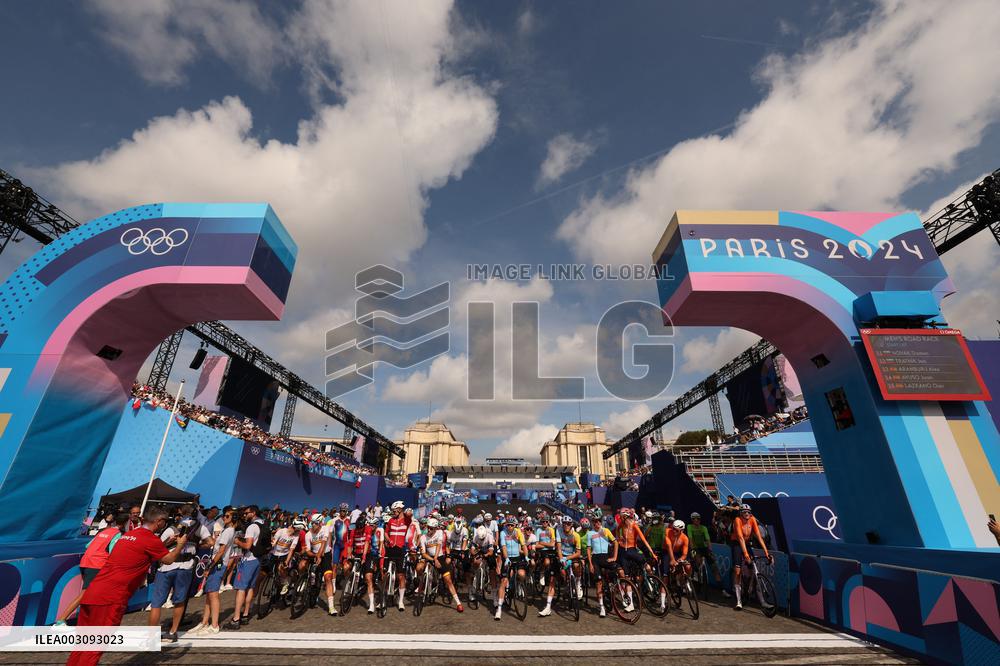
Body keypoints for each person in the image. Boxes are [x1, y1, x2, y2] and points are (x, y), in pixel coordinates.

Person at [66, 506, 187, 666]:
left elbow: (141, 551)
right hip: (111, 597)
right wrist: (180, 544)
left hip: (93, 592)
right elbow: (169, 559)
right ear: (159, 522)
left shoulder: (128, 535)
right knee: (95, 646)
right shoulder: (150, 539)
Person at [150, 506, 211, 642]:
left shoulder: (171, 528)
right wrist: (196, 546)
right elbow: (211, 542)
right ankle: (173, 632)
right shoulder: (199, 527)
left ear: (180, 513)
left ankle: (151, 636)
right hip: (185, 567)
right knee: (179, 601)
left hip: (166, 567)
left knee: (156, 603)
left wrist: (171, 542)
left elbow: (157, 547)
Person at [56, 513, 127, 625]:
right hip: (96, 564)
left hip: (85, 562)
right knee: (85, 593)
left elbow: (88, 546)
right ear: (125, 524)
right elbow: (114, 552)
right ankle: (61, 620)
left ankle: (87, 619)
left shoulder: (104, 531)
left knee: (90, 593)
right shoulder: (117, 534)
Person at [187, 507, 236, 636]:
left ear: (232, 519)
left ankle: (214, 625)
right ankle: (204, 622)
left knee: (213, 595)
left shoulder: (228, 531)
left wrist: (210, 567)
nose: (223, 517)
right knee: (209, 594)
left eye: (227, 516)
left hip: (218, 565)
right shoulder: (227, 530)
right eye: (224, 515)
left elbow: (221, 551)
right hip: (216, 564)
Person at [226, 505, 265, 628]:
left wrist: (238, 542)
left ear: (253, 513)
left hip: (248, 559)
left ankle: (236, 619)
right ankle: (245, 615)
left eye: (246, 513)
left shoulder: (252, 526)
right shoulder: (263, 524)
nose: (245, 515)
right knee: (250, 588)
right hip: (258, 560)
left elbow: (248, 545)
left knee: (241, 589)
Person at [731, 504, 772, 611]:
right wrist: (745, 555)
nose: (747, 514)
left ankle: (761, 600)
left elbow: (759, 536)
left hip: (747, 543)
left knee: (753, 568)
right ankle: (739, 601)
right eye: (745, 512)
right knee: (738, 571)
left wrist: (767, 553)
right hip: (737, 544)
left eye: (749, 512)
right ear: (741, 513)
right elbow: (740, 538)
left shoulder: (752, 519)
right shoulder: (737, 520)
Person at [417, 517, 463, 612]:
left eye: (431, 528)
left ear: (435, 528)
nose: (428, 530)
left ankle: (458, 603)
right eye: (428, 527)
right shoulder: (423, 537)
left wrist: (436, 558)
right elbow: (423, 553)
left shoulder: (440, 533)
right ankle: (421, 585)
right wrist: (433, 560)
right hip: (428, 557)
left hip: (439, 557)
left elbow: (438, 546)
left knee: (448, 580)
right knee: (419, 567)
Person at [495, 517, 527, 621]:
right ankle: (499, 609)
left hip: (517, 557)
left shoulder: (518, 533)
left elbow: (524, 545)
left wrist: (526, 556)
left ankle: (517, 585)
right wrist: (506, 558)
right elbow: (503, 547)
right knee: (504, 581)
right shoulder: (503, 533)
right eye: (508, 525)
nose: (509, 527)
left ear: (515, 526)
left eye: (512, 525)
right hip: (507, 557)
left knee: (521, 574)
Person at [586, 516, 617, 618]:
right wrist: (590, 564)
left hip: (606, 556)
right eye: (594, 522)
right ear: (592, 523)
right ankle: (602, 607)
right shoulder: (590, 533)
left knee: (615, 574)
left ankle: (613, 592)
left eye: (598, 521)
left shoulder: (606, 530)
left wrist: (614, 557)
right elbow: (589, 549)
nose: (597, 523)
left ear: (601, 522)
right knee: (598, 582)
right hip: (595, 558)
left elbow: (615, 542)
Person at [384, 501, 410, 611]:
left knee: (401, 576)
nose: (393, 512)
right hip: (390, 549)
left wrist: (404, 511)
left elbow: (409, 515)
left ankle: (400, 601)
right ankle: (383, 598)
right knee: (385, 573)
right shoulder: (391, 520)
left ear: (399, 510)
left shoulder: (406, 520)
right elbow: (386, 533)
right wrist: (389, 540)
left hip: (401, 550)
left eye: (394, 510)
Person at [687, 512, 721, 584]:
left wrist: (710, 550)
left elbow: (708, 540)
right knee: (697, 560)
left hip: (704, 547)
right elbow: (690, 539)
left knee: (714, 566)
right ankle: (696, 574)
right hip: (695, 547)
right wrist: (693, 549)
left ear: (700, 520)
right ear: (692, 520)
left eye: (698, 519)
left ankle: (721, 586)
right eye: (694, 519)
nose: (696, 520)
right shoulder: (689, 527)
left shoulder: (703, 528)